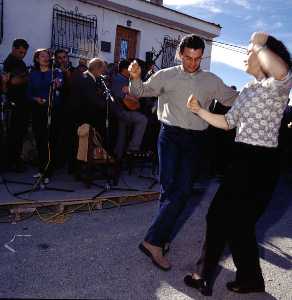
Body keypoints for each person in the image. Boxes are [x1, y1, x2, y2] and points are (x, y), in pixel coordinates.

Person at [184, 32, 292, 296]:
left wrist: (258, 43)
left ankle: (205, 276)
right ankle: (249, 279)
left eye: (249, 52)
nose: (245, 55)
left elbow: (282, 72)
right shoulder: (248, 90)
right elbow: (227, 122)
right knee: (235, 223)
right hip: (242, 158)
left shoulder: (277, 86)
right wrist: (199, 110)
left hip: (261, 161)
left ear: (265, 57)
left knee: (227, 219)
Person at [128, 34, 238, 271]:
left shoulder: (212, 80)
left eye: (197, 59)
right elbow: (139, 92)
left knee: (183, 191)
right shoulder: (166, 75)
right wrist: (135, 77)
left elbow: (233, 99)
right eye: (188, 58)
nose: (192, 63)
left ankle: (153, 240)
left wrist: (258, 94)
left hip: (196, 140)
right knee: (169, 189)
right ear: (180, 54)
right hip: (169, 137)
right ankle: (159, 240)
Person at [27, 48, 63, 183]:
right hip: (38, 110)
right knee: (40, 139)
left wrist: (58, 83)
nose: (45, 58)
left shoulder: (56, 72)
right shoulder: (33, 74)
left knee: (50, 140)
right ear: (37, 59)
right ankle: (41, 169)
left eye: (47, 55)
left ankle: (48, 171)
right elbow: (28, 93)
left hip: (52, 109)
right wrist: (36, 99)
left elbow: (60, 82)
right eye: (42, 56)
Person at [111, 59, 147, 160]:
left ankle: (118, 156)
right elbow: (124, 98)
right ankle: (133, 148)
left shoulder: (125, 79)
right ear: (125, 69)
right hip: (121, 111)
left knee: (121, 136)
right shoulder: (119, 79)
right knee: (142, 120)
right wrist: (135, 100)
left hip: (124, 111)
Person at [3, 38, 30, 172]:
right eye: (20, 52)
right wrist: (27, 77)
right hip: (14, 103)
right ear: (13, 48)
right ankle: (12, 162)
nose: (22, 54)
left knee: (19, 134)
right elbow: (13, 81)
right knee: (13, 134)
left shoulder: (20, 62)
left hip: (21, 103)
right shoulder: (10, 62)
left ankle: (15, 161)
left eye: (24, 53)